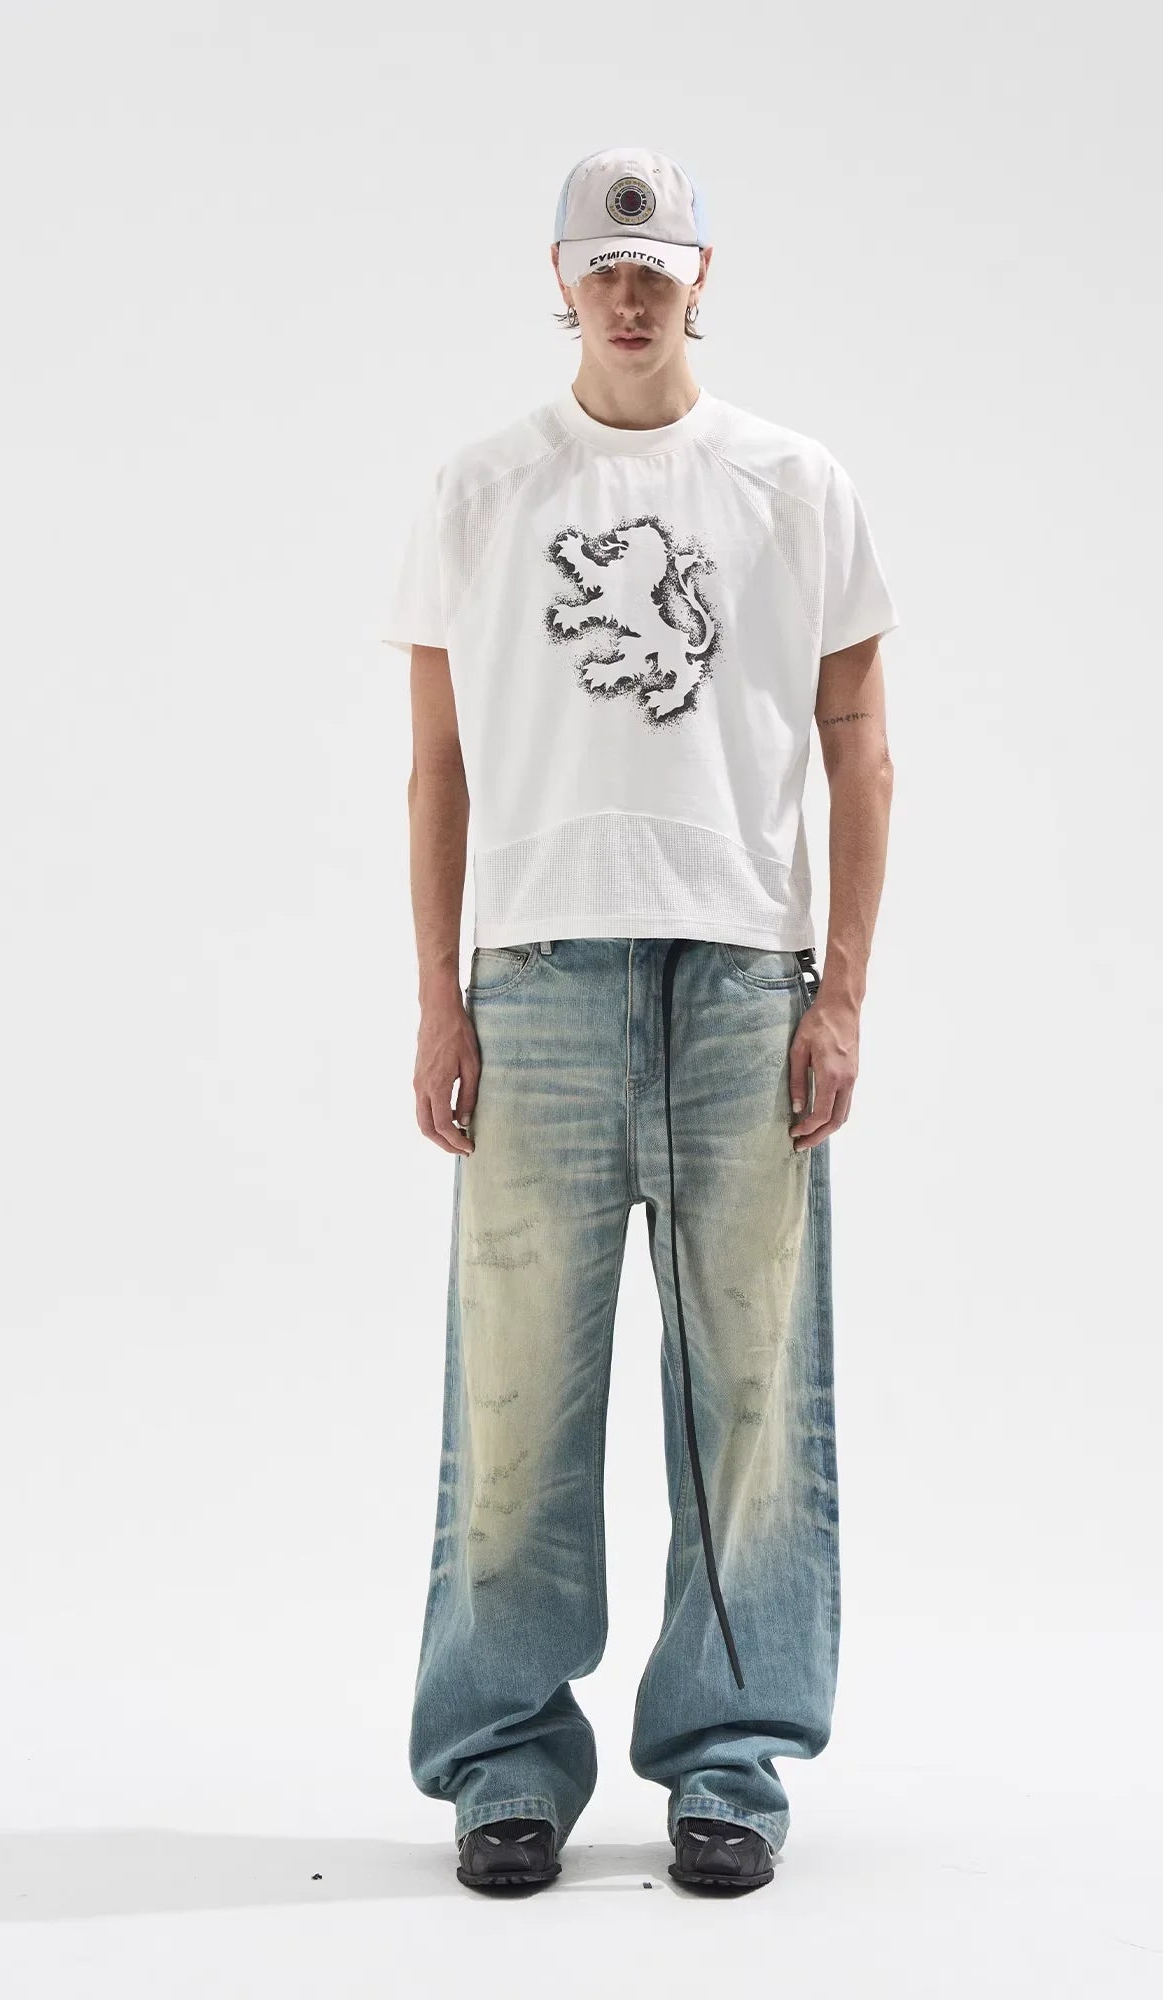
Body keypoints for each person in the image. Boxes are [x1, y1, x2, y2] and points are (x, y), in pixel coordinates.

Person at [381, 146, 899, 1895]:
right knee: (514, 1399)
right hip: (534, 982)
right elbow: (437, 771)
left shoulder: (794, 483)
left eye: (655, 267)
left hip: (742, 980)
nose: (627, 293)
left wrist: (842, 988)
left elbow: (859, 747)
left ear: (698, 278)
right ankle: (502, 1761)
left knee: (752, 1399)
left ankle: (730, 1763)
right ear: (558, 278)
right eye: (601, 268)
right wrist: (438, 996)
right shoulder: (481, 488)